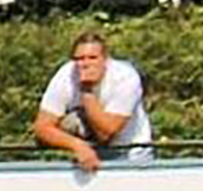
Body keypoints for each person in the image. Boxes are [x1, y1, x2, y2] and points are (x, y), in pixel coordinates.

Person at [33, 32, 154, 171]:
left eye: (92, 58)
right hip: (87, 152)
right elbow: (42, 128)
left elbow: (106, 133)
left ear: (105, 60)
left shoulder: (126, 77)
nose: (85, 64)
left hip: (131, 153)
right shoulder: (65, 75)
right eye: (79, 59)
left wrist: (86, 91)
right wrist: (76, 145)